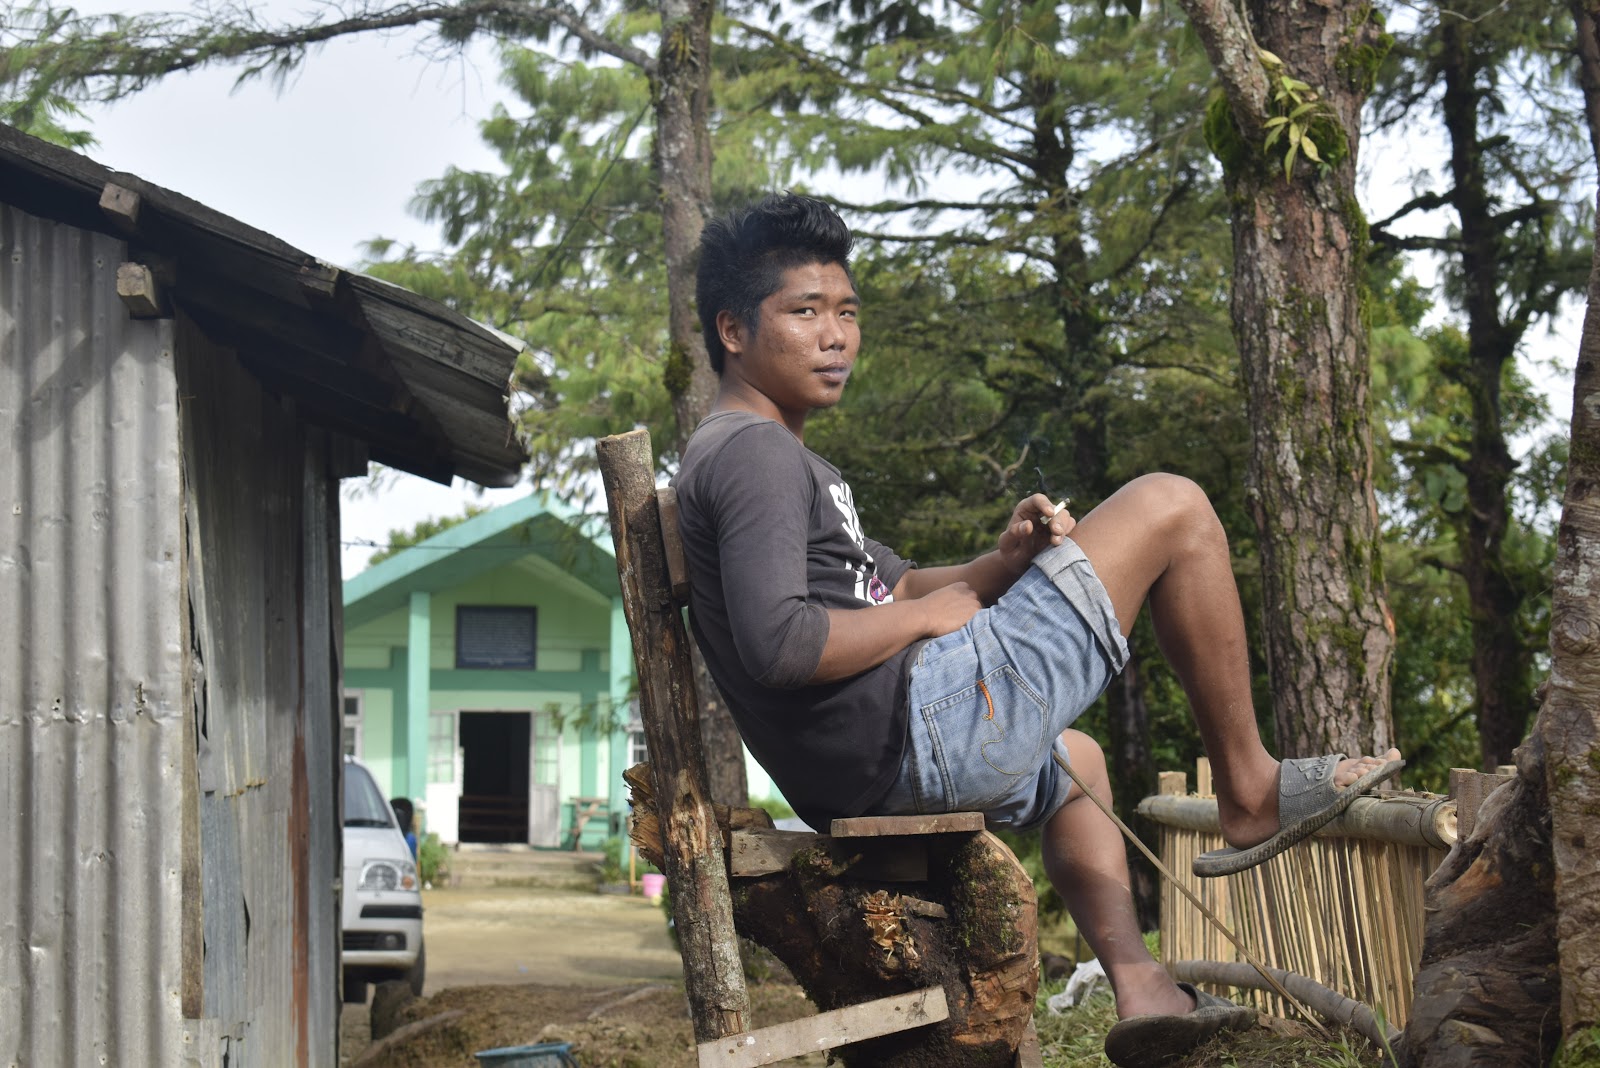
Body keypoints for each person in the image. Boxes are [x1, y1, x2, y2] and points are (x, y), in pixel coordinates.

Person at [673, 192, 1403, 1068]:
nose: (836, 335)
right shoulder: (753, 453)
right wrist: (931, 617)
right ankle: (1249, 787)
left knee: (1077, 763)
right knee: (1174, 506)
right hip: (906, 733)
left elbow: (891, 584)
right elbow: (782, 645)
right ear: (733, 330)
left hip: (875, 752)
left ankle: (1143, 991)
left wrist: (999, 563)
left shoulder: (769, 453)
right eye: (804, 312)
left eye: (847, 312)